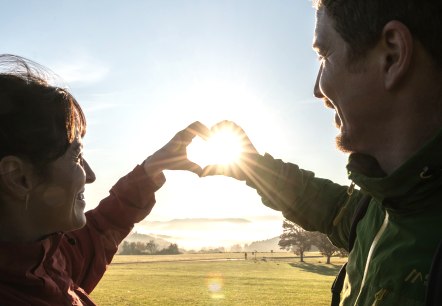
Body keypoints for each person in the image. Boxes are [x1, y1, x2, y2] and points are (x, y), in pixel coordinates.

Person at [201, 1, 442, 305]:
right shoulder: (380, 206)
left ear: (392, 55)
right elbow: (329, 207)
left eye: (324, 55)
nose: (318, 89)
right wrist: (253, 166)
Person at [0, 54, 209, 305]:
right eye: (76, 156)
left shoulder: (42, 260)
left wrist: (151, 169)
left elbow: (99, 232)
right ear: (19, 177)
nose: (90, 176)